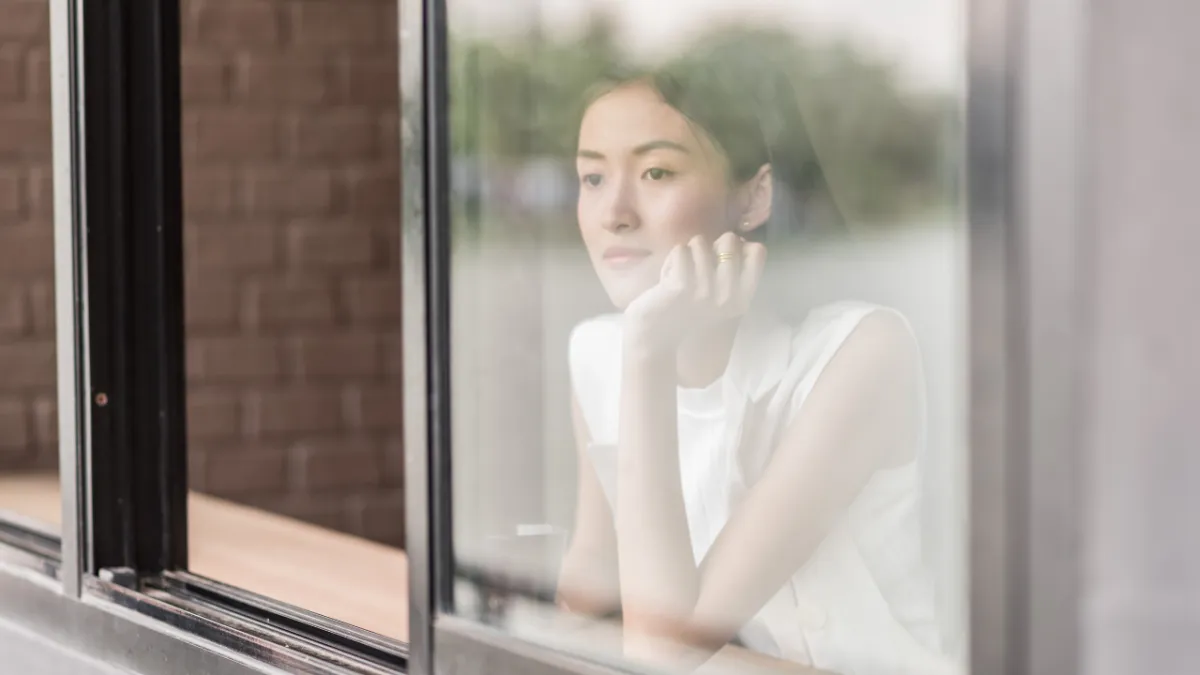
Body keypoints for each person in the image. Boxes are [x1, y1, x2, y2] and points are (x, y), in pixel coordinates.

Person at [554, 45, 956, 675]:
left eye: (656, 173)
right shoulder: (599, 356)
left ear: (754, 196)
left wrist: (650, 356)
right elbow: (591, 590)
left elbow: (663, 649)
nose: (614, 213)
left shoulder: (861, 357)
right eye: (593, 178)